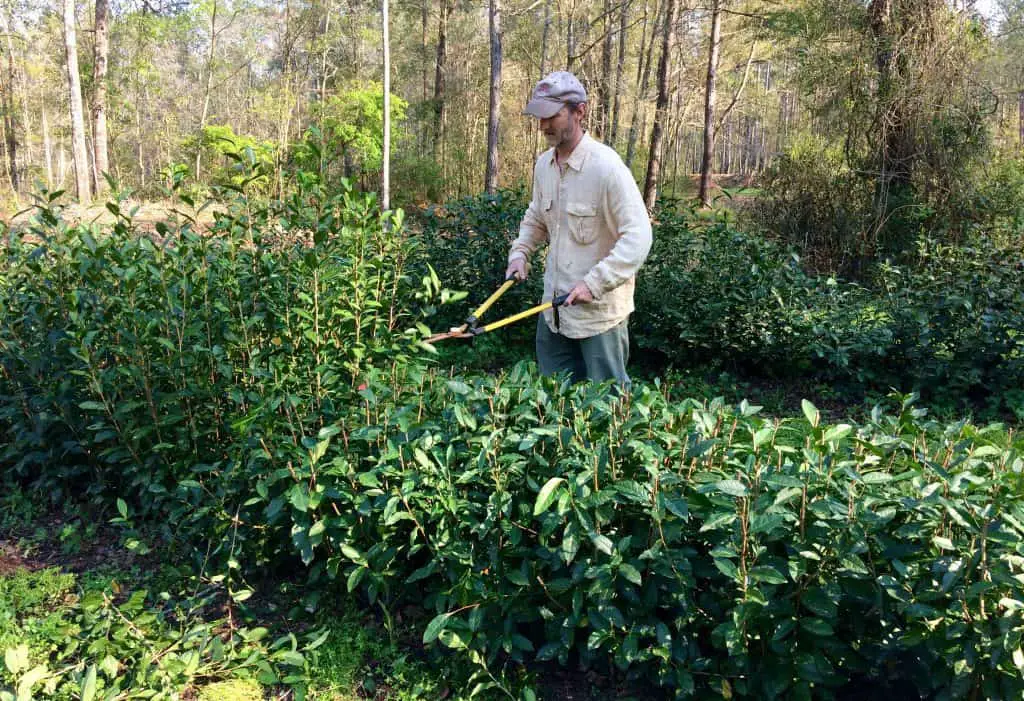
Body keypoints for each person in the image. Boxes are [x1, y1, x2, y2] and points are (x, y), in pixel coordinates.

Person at [506, 70, 652, 391]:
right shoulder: (544, 166)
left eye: (551, 116)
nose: (543, 126)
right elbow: (536, 217)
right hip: (553, 316)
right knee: (554, 404)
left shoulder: (607, 168)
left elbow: (639, 237)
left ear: (579, 111)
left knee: (607, 408)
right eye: (539, 117)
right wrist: (520, 253)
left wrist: (594, 283)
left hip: (600, 318)